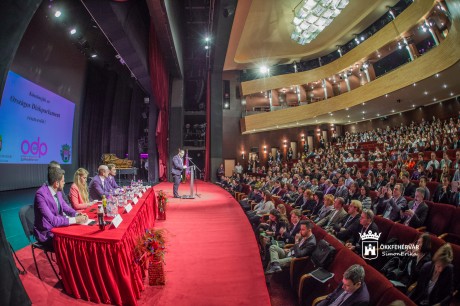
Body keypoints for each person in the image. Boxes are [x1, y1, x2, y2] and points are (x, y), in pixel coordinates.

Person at [34, 168, 87, 250]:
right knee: (75, 244)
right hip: (47, 233)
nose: (64, 183)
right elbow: (53, 221)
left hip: (58, 227)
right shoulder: (40, 195)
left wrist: (77, 214)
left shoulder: (58, 192)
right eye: (63, 181)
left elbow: (66, 208)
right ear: (56, 183)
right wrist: (76, 220)